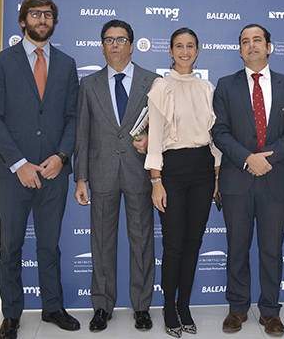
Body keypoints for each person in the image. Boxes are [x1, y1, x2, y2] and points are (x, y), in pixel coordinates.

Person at [0, 0, 80, 339]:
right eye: (35, 14)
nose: (42, 20)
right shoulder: (0, 62)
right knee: (10, 246)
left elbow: (73, 117)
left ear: (54, 21)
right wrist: (19, 162)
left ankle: (53, 306)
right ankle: (11, 314)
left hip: (54, 172)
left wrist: (62, 156)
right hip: (13, 174)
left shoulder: (67, 65)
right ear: (23, 21)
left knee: (49, 244)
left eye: (48, 15)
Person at [212, 24, 284, 337]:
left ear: (270, 47)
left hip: (276, 178)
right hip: (237, 180)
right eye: (245, 41)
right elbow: (220, 131)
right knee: (236, 247)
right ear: (239, 50)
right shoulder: (225, 86)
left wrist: (268, 157)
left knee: (271, 249)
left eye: (257, 40)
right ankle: (237, 308)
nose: (251, 45)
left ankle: (270, 312)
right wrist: (247, 158)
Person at [74, 19, 158, 332]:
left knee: (141, 241)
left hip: (140, 173)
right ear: (102, 46)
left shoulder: (153, 82)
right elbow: (82, 134)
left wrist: (152, 142)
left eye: (121, 39)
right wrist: (80, 178)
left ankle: (142, 307)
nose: (115, 45)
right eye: (108, 40)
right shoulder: (89, 84)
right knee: (102, 242)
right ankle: (102, 306)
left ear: (132, 45)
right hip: (101, 173)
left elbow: (165, 127)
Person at [146, 27, 222, 337]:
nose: (185, 51)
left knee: (194, 243)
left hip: (203, 169)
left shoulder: (207, 87)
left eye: (190, 46)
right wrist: (156, 180)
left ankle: (185, 305)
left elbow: (214, 136)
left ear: (198, 50)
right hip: (172, 170)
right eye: (179, 46)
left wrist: (217, 175)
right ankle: (168, 307)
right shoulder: (160, 87)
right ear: (171, 51)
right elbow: (154, 140)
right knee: (174, 244)